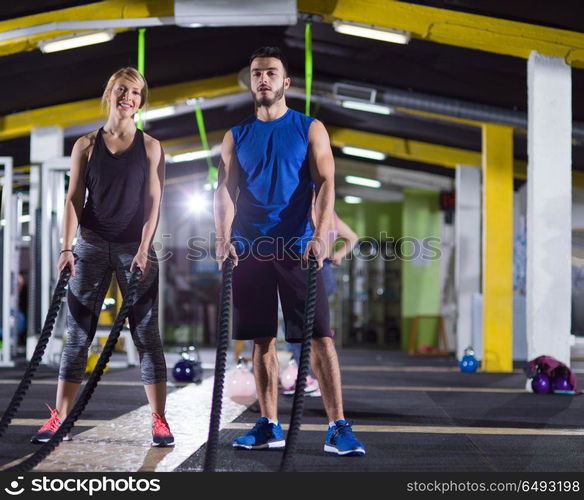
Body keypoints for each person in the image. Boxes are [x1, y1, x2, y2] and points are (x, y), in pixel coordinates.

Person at [214, 46, 365, 456]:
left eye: (270, 72)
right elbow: (225, 190)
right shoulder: (236, 135)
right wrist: (223, 237)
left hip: (299, 248)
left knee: (320, 340)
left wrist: (320, 235)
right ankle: (268, 424)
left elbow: (326, 183)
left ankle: (338, 426)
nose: (262, 79)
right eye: (256, 73)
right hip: (251, 250)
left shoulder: (309, 128)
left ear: (286, 82)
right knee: (262, 342)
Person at [31, 67, 174, 447]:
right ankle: (60, 419)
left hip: (134, 249)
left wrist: (144, 249)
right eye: (123, 90)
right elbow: (74, 199)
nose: (129, 97)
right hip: (91, 245)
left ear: (141, 103)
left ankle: (159, 420)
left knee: (146, 336)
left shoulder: (150, 147)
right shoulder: (86, 145)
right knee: (77, 336)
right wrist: (66, 247)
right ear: (110, 92)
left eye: (136, 93)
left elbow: (153, 203)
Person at [284, 211, 358, 397]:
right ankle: (309, 378)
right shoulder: (331, 215)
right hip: (324, 270)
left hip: (311, 269)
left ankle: (308, 378)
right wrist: (338, 255)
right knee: (311, 329)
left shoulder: (307, 210)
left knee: (299, 328)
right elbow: (352, 238)